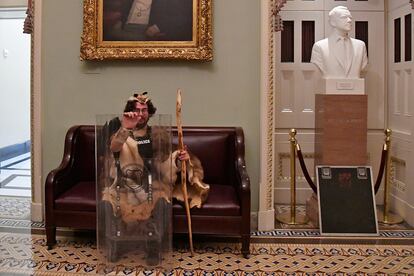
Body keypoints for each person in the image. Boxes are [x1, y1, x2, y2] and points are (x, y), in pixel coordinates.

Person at [311, 6, 368, 79]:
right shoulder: (319, 46)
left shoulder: (360, 45)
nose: (349, 20)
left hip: (355, 88)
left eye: (350, 18)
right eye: (344, 17)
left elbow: (362, 66)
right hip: (330, 88)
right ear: (333, 22)